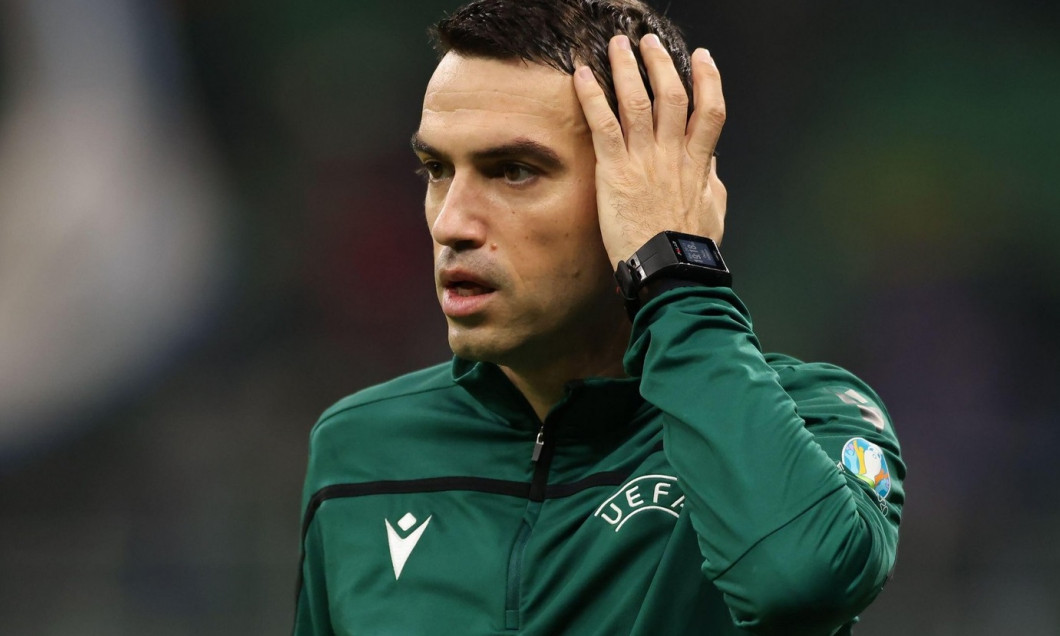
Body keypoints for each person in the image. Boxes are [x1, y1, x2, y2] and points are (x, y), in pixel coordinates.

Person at [293, 0, 905, 634]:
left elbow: (797, 581)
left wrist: (677, 269)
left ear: (638, 189)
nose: (451, 224)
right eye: (437, 170)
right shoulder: (358, 449)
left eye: (514, 172)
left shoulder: (813, 421)